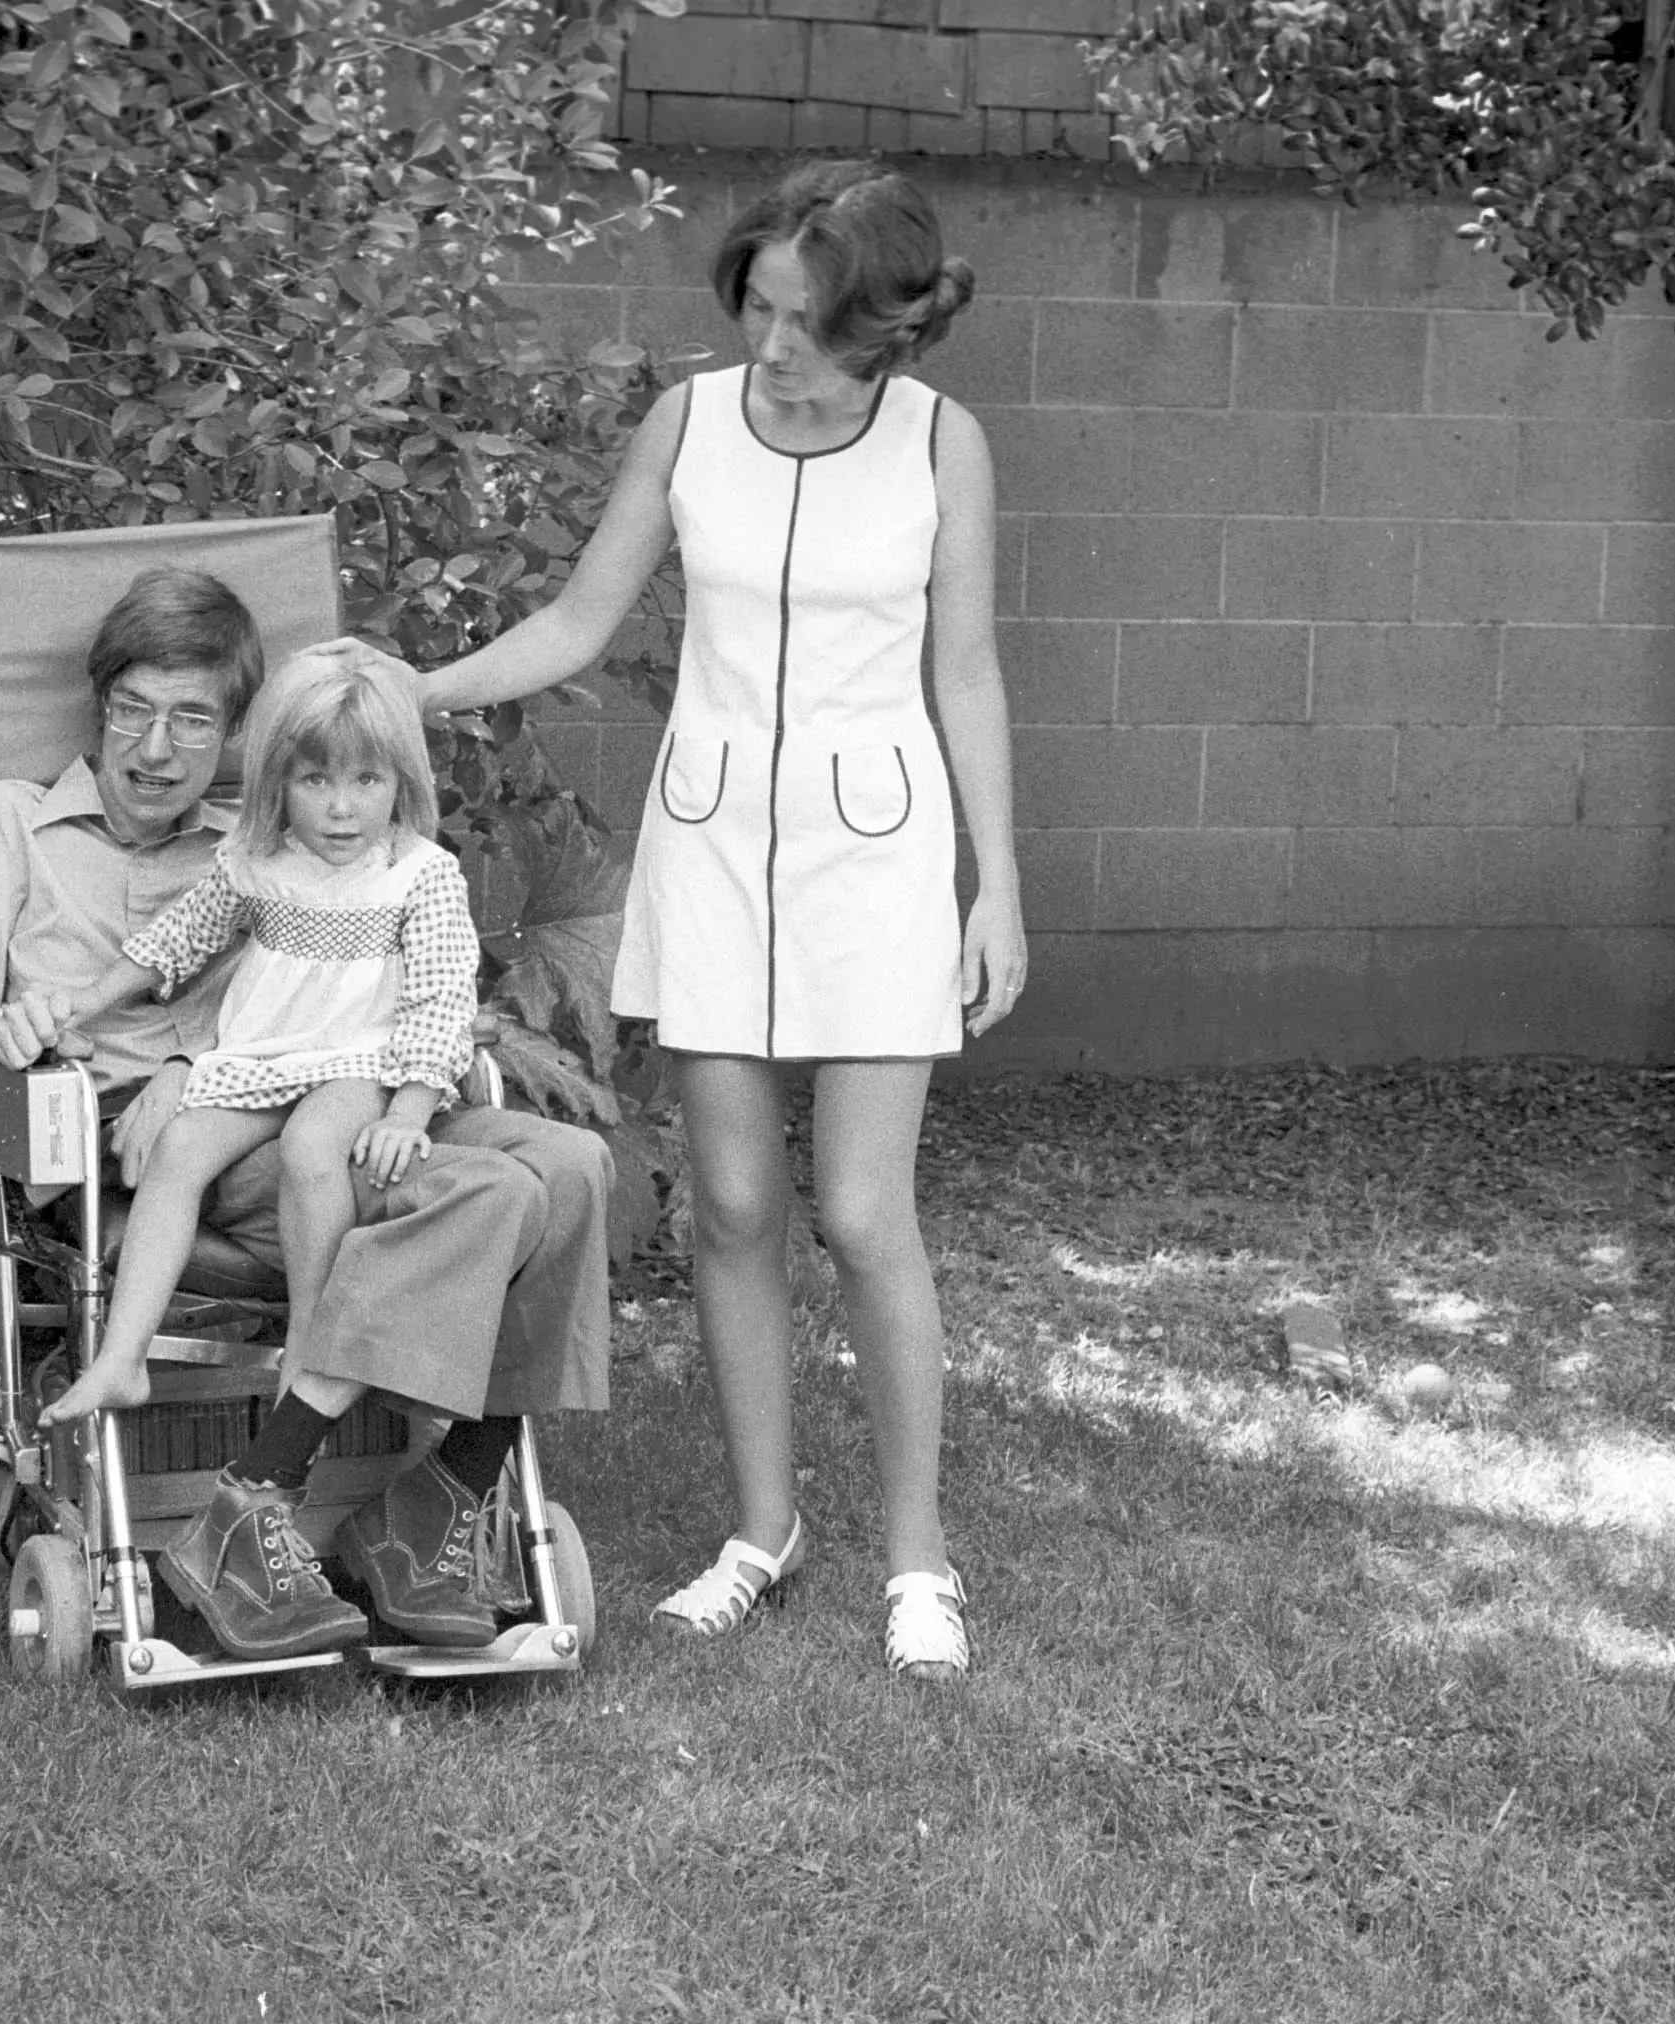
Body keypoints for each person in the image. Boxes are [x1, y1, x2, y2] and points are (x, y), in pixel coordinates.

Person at [394, 161, 1027, 1681]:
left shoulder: (943, 441)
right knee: (733, 1209)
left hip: (877, 859)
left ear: (881, 325)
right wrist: (412, 689)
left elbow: (964, 670)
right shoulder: (685, 423)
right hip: (713, 846)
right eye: (757, 308)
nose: (775, 346)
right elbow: (577, 620)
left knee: (862, 1214)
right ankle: (762, 1530)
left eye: (809, 321)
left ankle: (918, 1558)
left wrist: (996, 883)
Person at [0, 566, 611, 1663]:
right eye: (132, 709)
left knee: (570, 1166)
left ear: (236, 733)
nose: (155, 747)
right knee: (490, 1191)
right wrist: (6, 1037)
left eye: (192, 719)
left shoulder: (280, 834)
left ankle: (444, 1487)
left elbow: (344, 997)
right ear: (97, 705)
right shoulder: (10, 823)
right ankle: (283, 1493)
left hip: (336, 1090)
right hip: (161, 1139)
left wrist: (193, 1061)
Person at [29, 648, 478, 1430]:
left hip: (360, 1059)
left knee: (312, 1147)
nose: (341, 809)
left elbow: (442, 999)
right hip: (261, 1056)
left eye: (365, 781)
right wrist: (84, 1004)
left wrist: (407, 1109)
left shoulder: (418, 872)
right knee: (177, 1150)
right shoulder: (256, 862)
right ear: (277, 783)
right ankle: (123, 1357)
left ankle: (308, 1352)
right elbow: (175, 941)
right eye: (316, 781)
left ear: (402, 781)